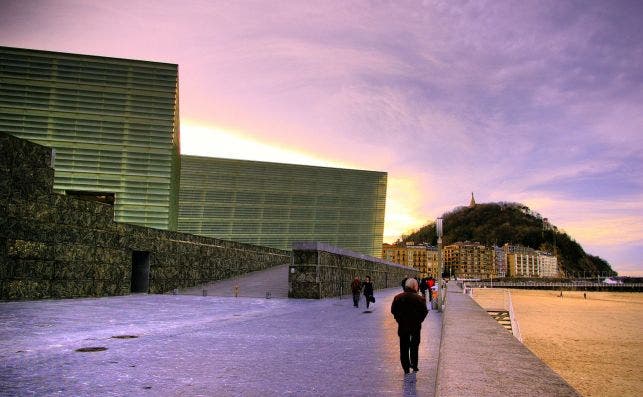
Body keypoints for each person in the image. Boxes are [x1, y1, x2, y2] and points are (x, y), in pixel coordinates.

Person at [391, 278, 428, 375]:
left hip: (402, 326)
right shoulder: (420, 299)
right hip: (415, 327)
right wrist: (419, 320)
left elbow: (393, 311)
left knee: (403, 347)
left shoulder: (398, 297)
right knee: (414, 346)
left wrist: (399, 320)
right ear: (414, 286)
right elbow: (424, 312)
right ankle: (414, 365)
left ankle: (406, 368)